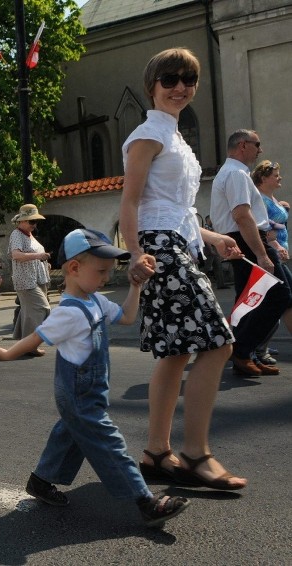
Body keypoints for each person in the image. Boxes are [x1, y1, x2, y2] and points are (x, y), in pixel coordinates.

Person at [0, 229, 190, 528]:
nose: (106, 278)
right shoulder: (68, 313)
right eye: (101, 271)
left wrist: (135, 287)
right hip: (79, 394)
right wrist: (6, 354)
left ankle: (40, 481)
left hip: (89, 392)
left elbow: (126, 317)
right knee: (109, 443)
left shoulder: (94, 301)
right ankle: (146, 502)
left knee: (69, 434)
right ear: (74, 268)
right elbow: (35, 338)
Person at [120, 48, 247, 490]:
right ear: (152, 85)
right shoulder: (149, 134)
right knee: (218, 343)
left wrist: (214, 238)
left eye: (188, 80)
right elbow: (131, 202)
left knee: (176, 351)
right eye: (170, 79)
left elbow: (176, 208)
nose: (180, 88)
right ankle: (195, 453)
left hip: (178, 244)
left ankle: (156, 451)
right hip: (160, 249)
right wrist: (135, 253)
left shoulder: (175, 137)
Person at [210, 131, 292, 377]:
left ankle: (243, 351)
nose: (260, 150)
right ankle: (242, 351)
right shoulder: (235, 174)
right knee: (277, 295)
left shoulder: (234, 173)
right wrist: (262, 255)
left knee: (253, 299)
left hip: (243, 240)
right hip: (247, 241)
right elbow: (242, 216)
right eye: (258, 145)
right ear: (243, 145)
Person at [252, 160, 288, 366]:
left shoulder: (271, 199)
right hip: (271, 254)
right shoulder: (261, 201)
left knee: (277, 299)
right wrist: (275, 245)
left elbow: (278, 224)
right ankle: (256, 346)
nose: (279, 177)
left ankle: (260, 343)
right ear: (264, 178)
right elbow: (265, 229)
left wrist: (284, 208)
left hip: (279, 253)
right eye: (275, 175)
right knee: (275, 300)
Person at [9, 204, 50, 355]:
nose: (34, 224)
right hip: (26, 280)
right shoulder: (17, 234)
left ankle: (25, 345)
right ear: (22, 221)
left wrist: (45, 262)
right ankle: (29, 344)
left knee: (28, 312)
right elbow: (17, 255)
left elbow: (33, 255)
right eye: (31, 221)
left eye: (35, 221)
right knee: (42, 308)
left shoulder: (29, 235)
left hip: (37, 278)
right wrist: (39, 256)